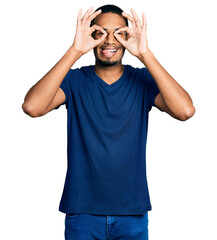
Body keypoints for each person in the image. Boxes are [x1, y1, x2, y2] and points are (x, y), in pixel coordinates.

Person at [22, 4, 195, 240]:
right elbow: (32, 107)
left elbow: (185, 110)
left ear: (129, 36)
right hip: (82, 211)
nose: (109, 40)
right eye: (101, 32)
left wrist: (145, 53)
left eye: (119, 33)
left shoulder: (142, 80)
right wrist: (75, 50)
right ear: (92, 35)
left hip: (131, 212)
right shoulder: (75, 81)